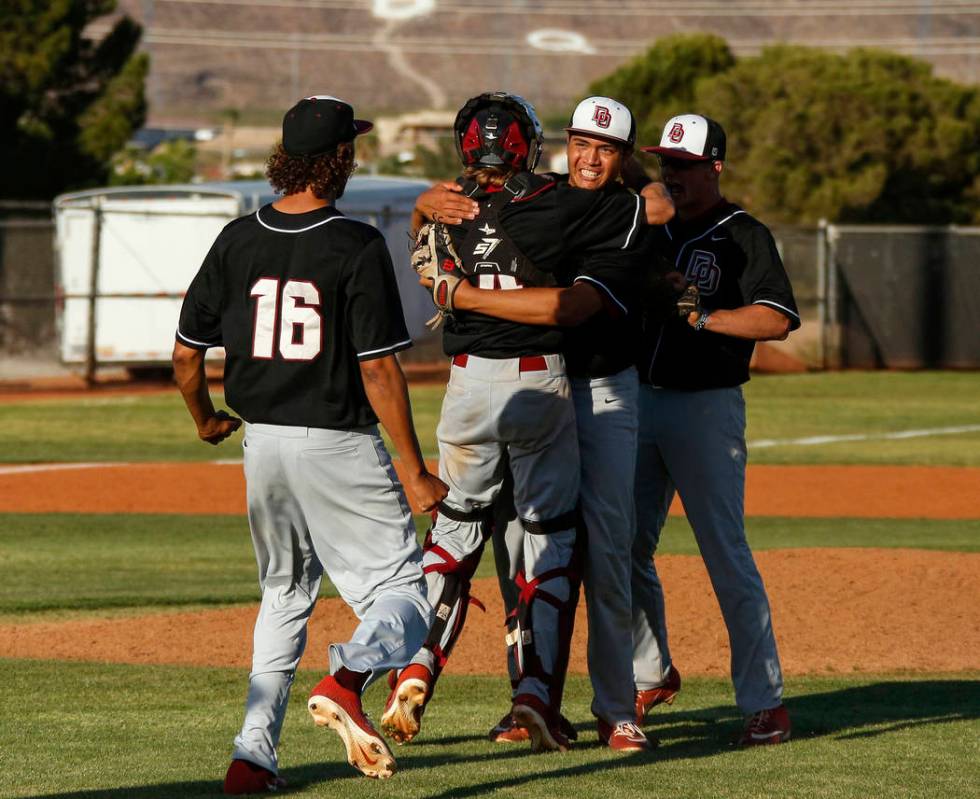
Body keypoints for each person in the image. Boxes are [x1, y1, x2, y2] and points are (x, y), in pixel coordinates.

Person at [381, 91, 674, 754]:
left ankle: (606, 703)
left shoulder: (610, 209)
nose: (591, 156)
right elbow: (471, 219)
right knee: (537, 548)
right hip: (543, 386)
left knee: (550, 540)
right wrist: (430, 203)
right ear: (554, 144)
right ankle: (533, 695)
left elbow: (654, 210)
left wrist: (440, 245)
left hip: (562, 387)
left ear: (623, 158)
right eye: (583, 143)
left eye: (607, 148)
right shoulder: (551, 198)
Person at [172, 95, 447, 793]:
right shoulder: (353, 243)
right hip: (337, 446)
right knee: (407, 595)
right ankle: (350, 677)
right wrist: (415, 470)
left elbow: (184, 355)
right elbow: (379, 366)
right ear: (339, 161)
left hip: (259, 444)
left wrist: (205, 417)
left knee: (284, 595)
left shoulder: (238, 237)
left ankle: (251, 754)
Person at [631, 114, 800, 746]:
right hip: (636, 401)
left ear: (715, 167)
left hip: (705, 407)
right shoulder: (648, 228)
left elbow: (777, 319)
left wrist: (704, 318)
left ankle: (765, 702)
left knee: (725, 554)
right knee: (621, 549)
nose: (672, 172)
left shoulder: (744, 233)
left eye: (685, 163)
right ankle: (650, 673)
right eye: (665, 162)